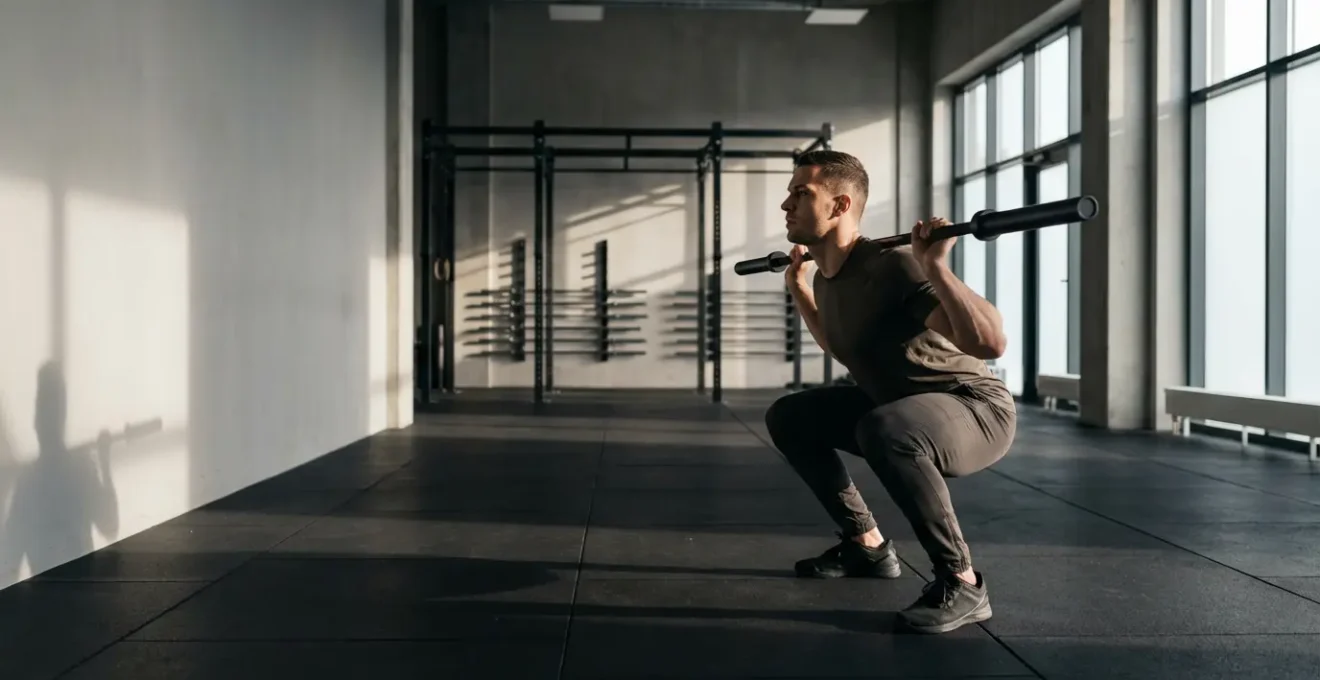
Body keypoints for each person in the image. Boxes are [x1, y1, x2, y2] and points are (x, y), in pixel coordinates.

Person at [764, 149, 1016, 635]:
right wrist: (799, 287)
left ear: (839, 206)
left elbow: (990, 343)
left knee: (884, 429)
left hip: (974, 408)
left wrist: (936, 268)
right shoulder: (827, 274)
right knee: (791, 415)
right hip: (897, 406)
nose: (785, 205)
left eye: (801, 193)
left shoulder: (893, 266)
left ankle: (962, 581)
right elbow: (844, 345)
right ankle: (867, 545)